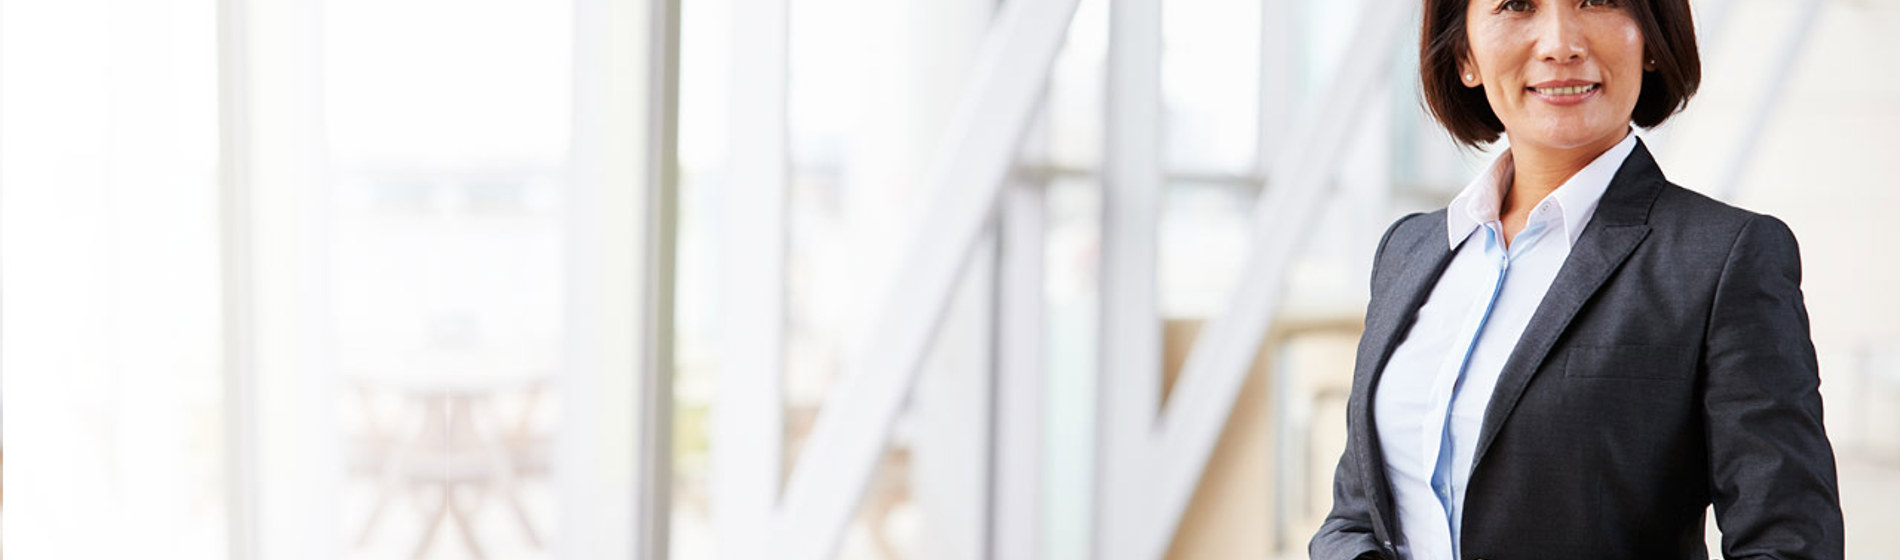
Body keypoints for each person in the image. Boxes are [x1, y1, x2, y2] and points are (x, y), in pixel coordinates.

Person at [1308, 0, 1845, 558]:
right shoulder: (1409, 251)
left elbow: (1788, 540)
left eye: (1599, 1)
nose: (1560, 43)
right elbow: (1353, 519)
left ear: (1653, 38)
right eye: (1516, 5)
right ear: (1465, 53)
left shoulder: (1722, 259)